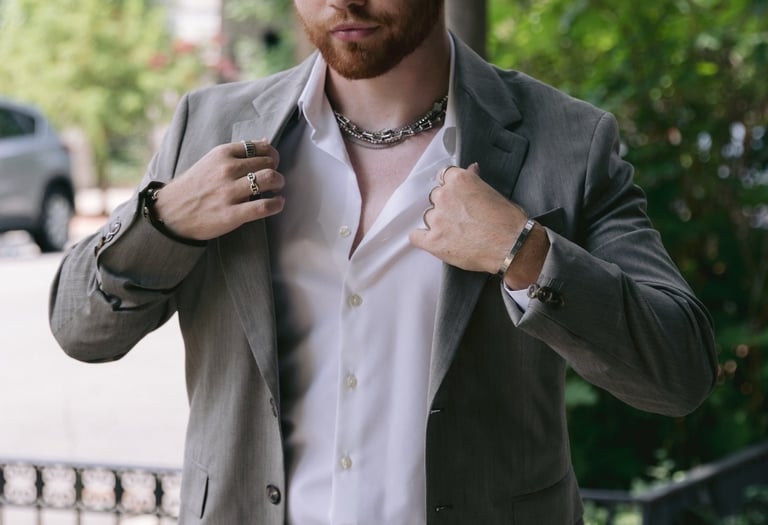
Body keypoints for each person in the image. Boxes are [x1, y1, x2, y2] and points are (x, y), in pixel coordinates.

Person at [49, 0, 718, 523]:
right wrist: (163, 220)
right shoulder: (207, 126)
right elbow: (80, 327)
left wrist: (525, 253)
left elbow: (679, 370)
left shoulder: (567, 139)